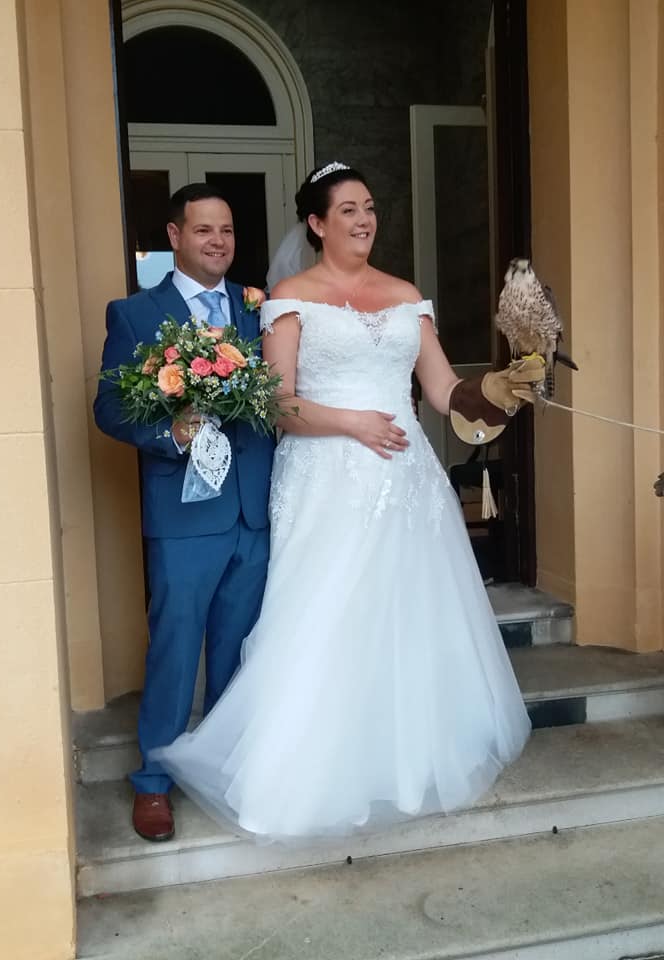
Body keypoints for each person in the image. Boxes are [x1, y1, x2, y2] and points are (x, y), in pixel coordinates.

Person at [150, 163, 544, 841]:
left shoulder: (405, 295)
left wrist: (501, 388)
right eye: (349, 210)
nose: (365, 220)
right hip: (325, 478)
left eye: (370, 208)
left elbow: (444, 391)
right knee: (325, 616)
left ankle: (399, 761)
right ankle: (307, 771)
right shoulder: (290, 296)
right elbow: (276, 403)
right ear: (317, 223)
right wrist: (351, 422)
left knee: (406, 618)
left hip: (406, 481)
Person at [94, 183, 275, 842]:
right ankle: (154, 781)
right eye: (204, 230)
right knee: (175, 649)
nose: (218, 241)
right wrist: (170, 433)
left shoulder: (258, 308)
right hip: (183, 516)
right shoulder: (136, 314)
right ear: (175, 236)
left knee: (239, 650)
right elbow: (109, 409)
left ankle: (223, 770)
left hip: (252, 512)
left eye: (226, 230)